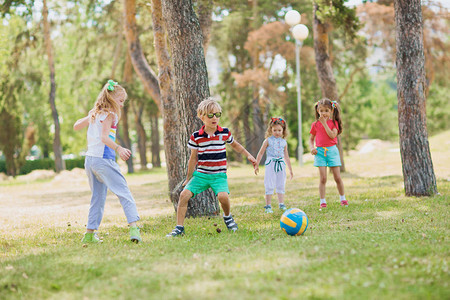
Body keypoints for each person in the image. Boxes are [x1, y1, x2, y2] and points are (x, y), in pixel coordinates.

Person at [166, 98, 257, 237]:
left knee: (223, 197)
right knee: (183, 195)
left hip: (219, 176)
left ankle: (227, 217)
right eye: (210, 115)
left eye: (217, 114)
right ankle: (179, 228)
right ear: (201, 116)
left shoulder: (224, 132)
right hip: (201, 175)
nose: (214, 118)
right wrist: (188, 178)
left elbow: (236, 145)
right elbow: (193, 158)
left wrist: (249, 156)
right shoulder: (196, 137)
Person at [73, 80, 142, 243]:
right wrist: (119, 148)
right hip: (104, 160)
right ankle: (134, 228)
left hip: (90, 160)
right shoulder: (111, 115)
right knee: (124, 192)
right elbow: (104, 137)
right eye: (120, 100)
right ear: (111, 99)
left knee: (97, 197)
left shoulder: (96, 113)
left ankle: (89, 234)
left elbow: (76, 126)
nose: (122, 104)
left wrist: (89, 116)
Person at [309, 98, 347, 208]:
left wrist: (325, 124)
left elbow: (332, 135)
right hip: (320, 152)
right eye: (321, 111)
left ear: (331, 111)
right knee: (323, 178)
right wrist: (312, 148)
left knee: (337, 177)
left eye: (326, 110)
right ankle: (322, 201)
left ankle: (343, 198)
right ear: (317, 111)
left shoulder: (334, 123)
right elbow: (311, 139)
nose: (323, 113)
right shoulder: (315, 124)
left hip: (332, 151)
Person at [254, 117, 293, 213]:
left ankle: (281, 204)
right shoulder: (268, 141)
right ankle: (268, 206)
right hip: (271, 163)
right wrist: (256, 164)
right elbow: (261, 153)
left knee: (281, 183)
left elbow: (286, 156)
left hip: (281, 164)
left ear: (283, 130)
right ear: (271, 130)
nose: (277, 132)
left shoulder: (284, 142)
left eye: (279, 130)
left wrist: (290, 170)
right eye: (274, 130)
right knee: (269, 183)